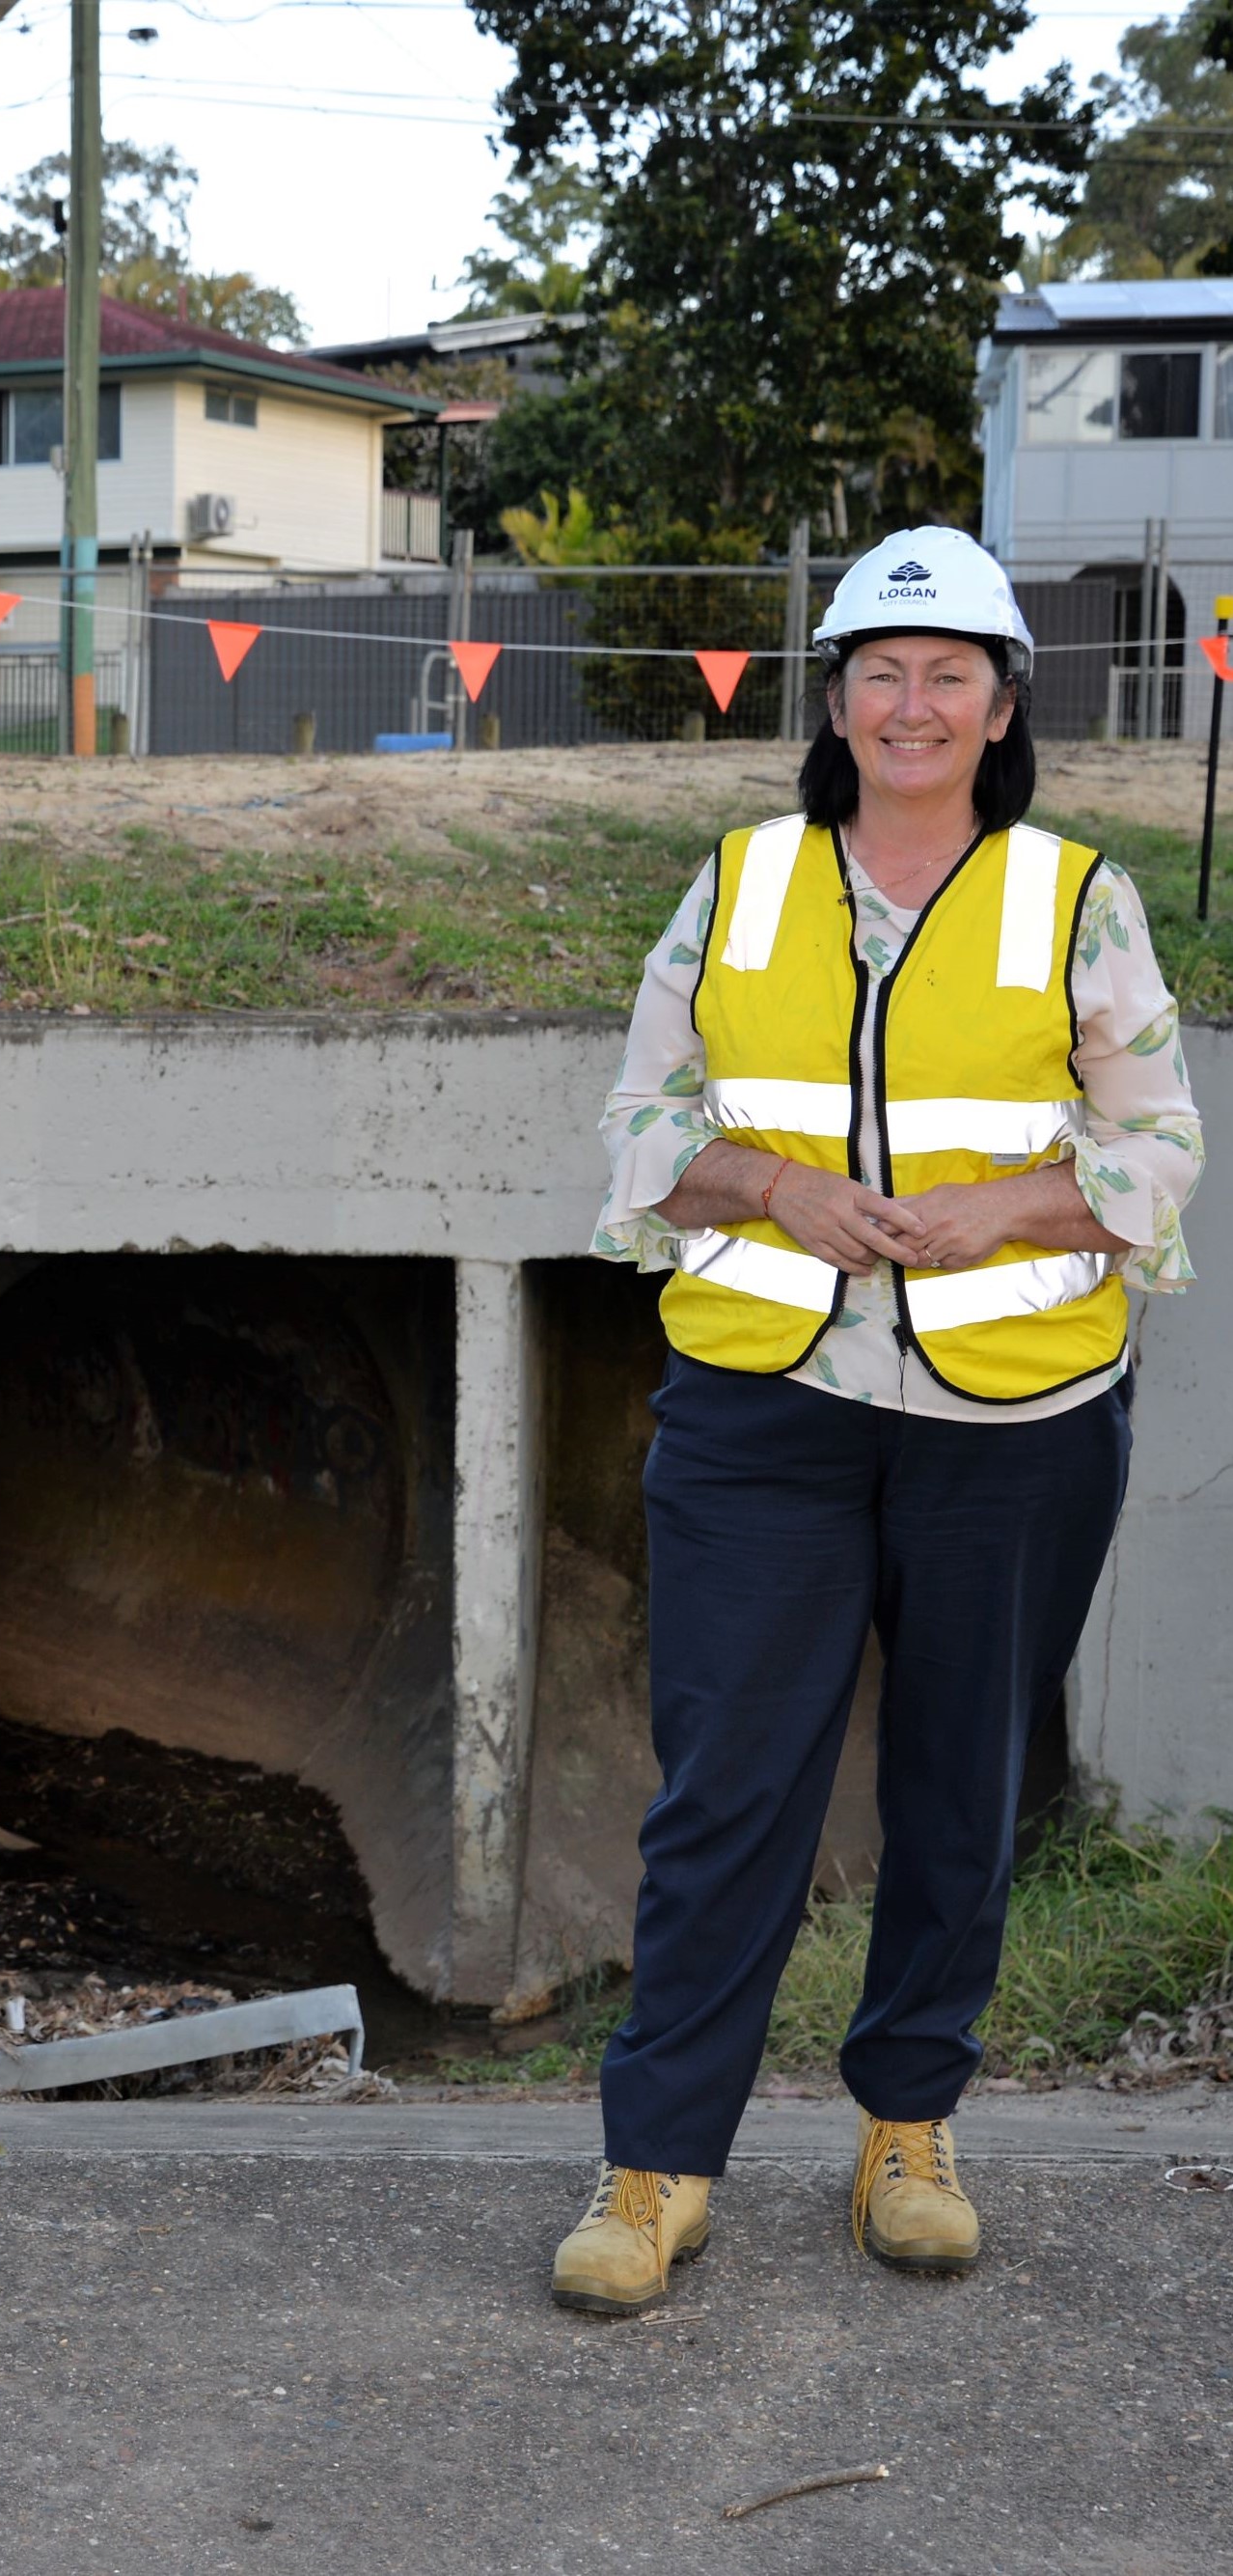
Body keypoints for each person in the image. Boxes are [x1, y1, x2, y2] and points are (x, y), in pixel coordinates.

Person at [556, 529, 1203, 2313]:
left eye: (948, 675)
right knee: (725, 1794)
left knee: (956, 1787)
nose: (910, 704)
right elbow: (634, 1127)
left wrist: (1006, 1207)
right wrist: (765, 1182)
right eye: (877, 673)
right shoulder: (739, 882)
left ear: (1001, 709)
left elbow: (1157, 1149)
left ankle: (906, 2128)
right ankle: (656, 2163)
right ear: (830, 701)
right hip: (765, 1408)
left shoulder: (1078, 897)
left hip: (1014, 1420)